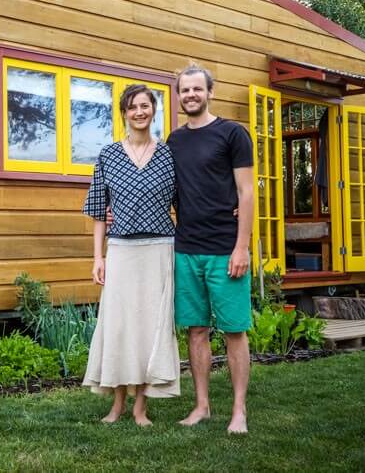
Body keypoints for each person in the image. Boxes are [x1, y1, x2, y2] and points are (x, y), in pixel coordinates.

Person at [82, 84, 180, 426]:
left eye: (145, 106)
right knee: (120, 326)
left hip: (159, 249)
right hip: (121, 250)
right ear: (124, 113)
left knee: (150, 327)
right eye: (133, 107)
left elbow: (186, 202)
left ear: (153, 111)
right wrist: (98, 257)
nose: (140, 112)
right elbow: (97, 210)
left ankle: (140, 407)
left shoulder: (168, 155)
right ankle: (117, 404)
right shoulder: (109, 155)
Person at [166, 64, 254, 434]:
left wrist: (242, 247)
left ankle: (239, 410)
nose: (190, 95)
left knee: (234, 330)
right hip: (186, 249)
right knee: (196, 331)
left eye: (196, 89)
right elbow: (165, 193)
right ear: (179, 96)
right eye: (184, 90)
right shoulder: (174, 141)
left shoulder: (233, 134)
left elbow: (247, 192)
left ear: (209, 92)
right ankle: (201, 405)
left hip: (224, 249)